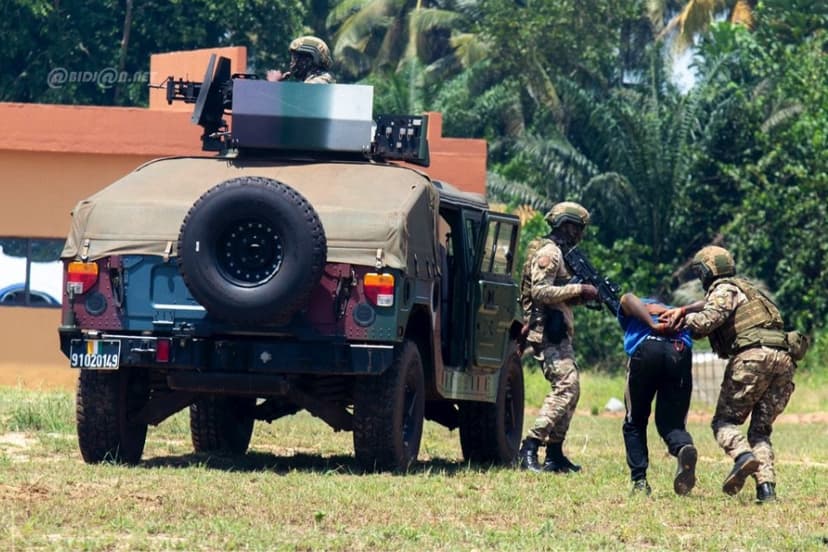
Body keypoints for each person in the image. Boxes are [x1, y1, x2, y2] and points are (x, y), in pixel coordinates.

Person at [661, 245, 797, 503]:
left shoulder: (723, 289)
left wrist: (678, 321)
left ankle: (743, 456)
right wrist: (688, 311)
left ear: (706, 272)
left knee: (724, 422)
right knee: (760, 432)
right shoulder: (750, 291)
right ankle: (766, 490)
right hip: (784, 360)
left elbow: (707, 321)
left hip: (753, 358)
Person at [517, 201, 599, 473]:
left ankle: (554, 453)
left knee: (572, 389)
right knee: (566, 386)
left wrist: (584, 295)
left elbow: (560, 297)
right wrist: (579, 288)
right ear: (567, 226)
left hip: (558, 332)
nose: (581, 234)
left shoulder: (561, 254)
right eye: (578, 228)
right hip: (545, 332)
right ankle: (530, 446)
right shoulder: (550, 253)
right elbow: (540, 292)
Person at [617, 293, 697, 496]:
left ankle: (639, 481)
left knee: (635, 420)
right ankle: (683, 447)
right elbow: (709, 304)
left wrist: (653, 325)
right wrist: (685, 310)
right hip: (679, 351)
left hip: (647, 348)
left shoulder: (641, 307)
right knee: (672, 423)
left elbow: (626, 298)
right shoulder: (679, 313)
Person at [267, 36, 335, 84]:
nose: (291, 64)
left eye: (295, 59)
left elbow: (304, 95)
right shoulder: (313, 79)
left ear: (308, 61)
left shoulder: (321, 80)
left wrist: (274, 85)